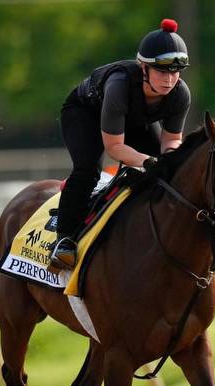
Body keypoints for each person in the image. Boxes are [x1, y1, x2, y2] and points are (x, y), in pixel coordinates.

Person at [50, 18, 191, 269]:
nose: (169, 80)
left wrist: (169, 160)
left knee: (163, 172)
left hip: (133, 119)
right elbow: (114, 147)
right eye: (161, 71)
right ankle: (64, 241)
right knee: (88, 169)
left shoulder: (180, 94)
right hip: (85, 113)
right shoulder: (120, 85)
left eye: (175, 72)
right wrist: (148, 160)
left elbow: (172, 140)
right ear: (143, 68)